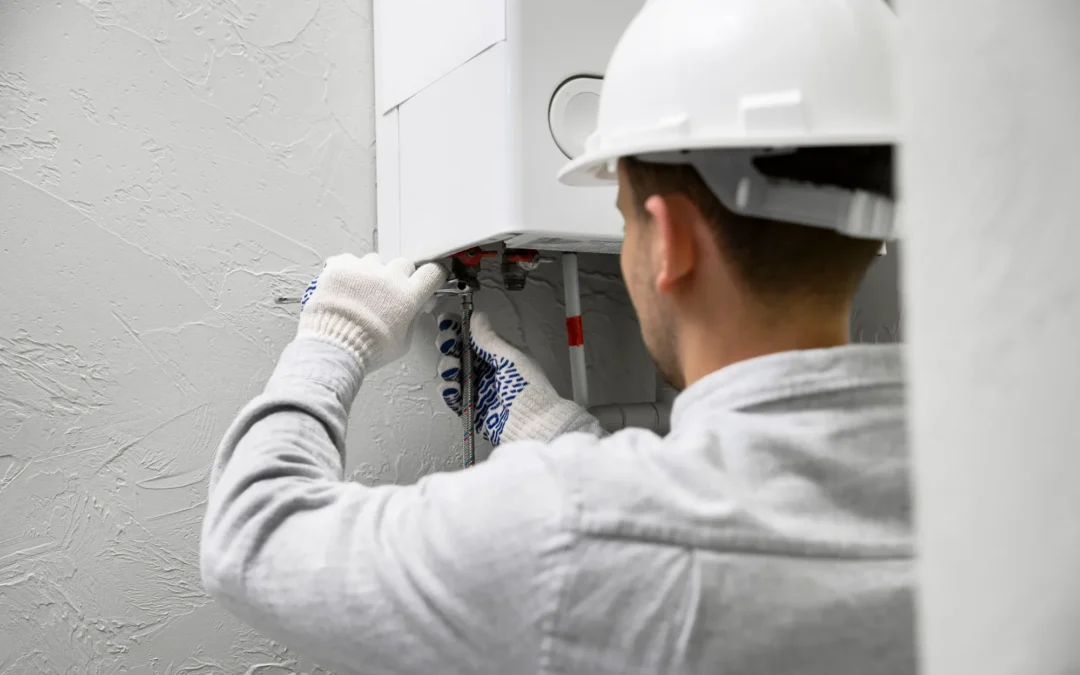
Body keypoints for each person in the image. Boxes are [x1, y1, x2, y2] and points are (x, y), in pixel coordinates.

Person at [200, 0, 914, 673]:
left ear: (668, 240)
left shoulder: (564, 526)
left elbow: (254, 536)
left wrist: (336, 335)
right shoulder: (986, 477)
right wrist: (554, 433)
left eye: (626, 216)